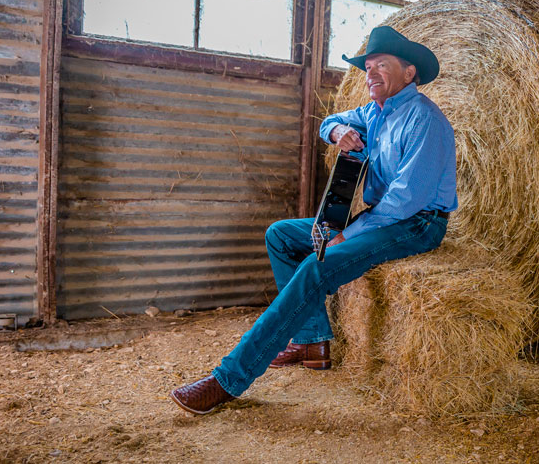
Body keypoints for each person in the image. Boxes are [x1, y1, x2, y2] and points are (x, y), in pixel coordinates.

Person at [170, 25, 458, 415]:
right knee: (281, 236)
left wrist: (347, 232)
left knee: (315, 265)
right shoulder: (374, 113)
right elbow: (328, 123)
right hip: (381, 218)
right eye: (367, 67)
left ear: (409, 73)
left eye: (381, 66)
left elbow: (406, 201)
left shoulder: (424, 119)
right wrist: (339, 130)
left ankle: (228, 379)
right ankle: (313, 340)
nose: (370, 74)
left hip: (416, 224)